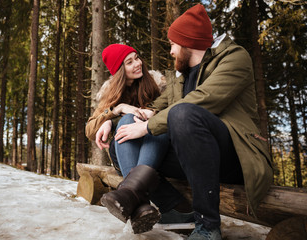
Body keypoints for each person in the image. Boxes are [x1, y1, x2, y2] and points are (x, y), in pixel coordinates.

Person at [113, 4, 273, 240]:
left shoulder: (234, 58)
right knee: (126, 126)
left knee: (182, 113)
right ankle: (157, 206)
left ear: (187, 44)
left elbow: (205, 99)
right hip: (192, 156)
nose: (171, 52)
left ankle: (208, 226)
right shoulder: (181, 75)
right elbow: (157, 107)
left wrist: (147, 126)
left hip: (233, 155)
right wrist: (116, 116)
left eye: (173, 45)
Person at [85, 44, 169, 234]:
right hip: (124, 152)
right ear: (120, 70)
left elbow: (167, 115)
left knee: (151, 122)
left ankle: (139, 204)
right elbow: (90, 129)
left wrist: (149, 115)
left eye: (137, 58)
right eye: (129, 62)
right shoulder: (111, 93)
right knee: (128, 119)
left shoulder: (157, 85)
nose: (137, 64)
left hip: (157, 145)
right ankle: (138, 196)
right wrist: (114, 113)